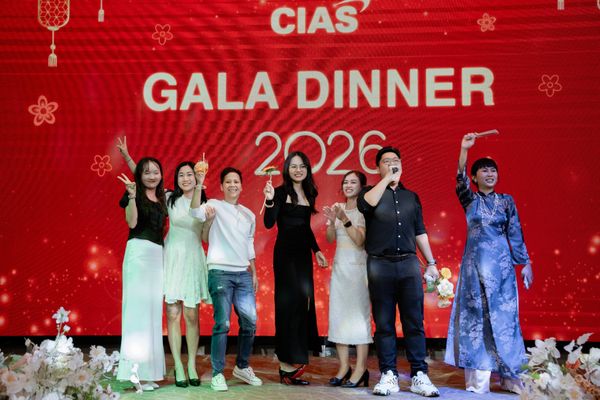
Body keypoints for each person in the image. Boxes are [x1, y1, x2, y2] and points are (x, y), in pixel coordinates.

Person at [117, 138, 210, 387]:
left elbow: (196, 216)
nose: (185, 179)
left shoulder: (193, 201)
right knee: (168, 312)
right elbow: (145, 178)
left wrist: (201, 185)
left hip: (177, 258)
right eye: (181, 175)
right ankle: (170, 366)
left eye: (190, 175)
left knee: (182, 314)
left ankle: (184, 365)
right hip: (161, 256)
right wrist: (127, 158)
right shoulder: (168, 197)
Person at [445, 133, 534, 394]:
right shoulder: (470, 200)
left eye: (493, 170)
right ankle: (478, 380)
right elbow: (459, 178)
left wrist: (525, 262)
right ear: (475, 178)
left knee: (506, 321)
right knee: (476, 320)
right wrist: (464, 149)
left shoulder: (507, 201)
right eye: (484, 170)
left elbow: (515, 232)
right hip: (474, 270)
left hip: (502, 271)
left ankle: (510, 377)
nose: (490, 173)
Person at [357, 146, 440, 397]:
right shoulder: (369, 193)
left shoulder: (411, 197)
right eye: (386, 161)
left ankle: (419, 374)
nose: (392, 164)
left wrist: (432, 262)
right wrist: (386, 180)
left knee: (414, 322)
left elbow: (420, 231)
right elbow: (366, 205)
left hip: (409, 264)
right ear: (378, 167)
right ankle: (388, 374)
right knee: (384, 323)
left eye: (396, 161)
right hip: (379, 264)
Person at [190, 167, 262, 392]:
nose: (232, 185)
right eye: (228, 182)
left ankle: (242, 366)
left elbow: (249, 245)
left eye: (236, 181)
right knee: (223, 323)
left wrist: (254, 272)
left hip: (243, 273)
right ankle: (218, 373)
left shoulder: (249, 215)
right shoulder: (214, 205)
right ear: (222, 186)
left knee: (250, 322)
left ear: (241, 186)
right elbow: (195, 212)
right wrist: (198, 183)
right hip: (220, 271)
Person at [263, 151, 328, 385]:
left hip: (303, 257)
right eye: (293, 166)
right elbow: (269, 223)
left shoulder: (310, 193)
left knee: (302, 305)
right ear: (287, 169)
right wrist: (270, 200)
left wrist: (316, 250)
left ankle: (294, 359)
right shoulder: (279, 192)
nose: (298, 170)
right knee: (286, 307)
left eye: (302, 166)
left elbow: (305, 227)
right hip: (285, 256)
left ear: (307, 169)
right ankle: (284, 364)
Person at [115, 157, 167, 390]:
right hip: (138, 254)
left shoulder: (163, 197)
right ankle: (134, 374)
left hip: (157, 257)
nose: (152, 176)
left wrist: (128, 157)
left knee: (152, 314)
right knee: (137, 314)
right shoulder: (133, 194)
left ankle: (148, 373)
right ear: (140, 176)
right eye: (146, 172)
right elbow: (132, 222)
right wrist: (132, 196)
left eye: (155, 172)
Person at [323, 170, 372, 388]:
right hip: (339, 270)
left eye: (353, 182)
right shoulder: (338, 206)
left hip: (358, 271)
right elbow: (330, 239)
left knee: (359, 318)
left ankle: (361, 368)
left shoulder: (364, 211)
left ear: (361, 186)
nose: (348, 185)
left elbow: (360, 241)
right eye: (345, 182)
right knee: (338, 317)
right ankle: (344, 367)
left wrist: (345, 219)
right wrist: (331, 221)